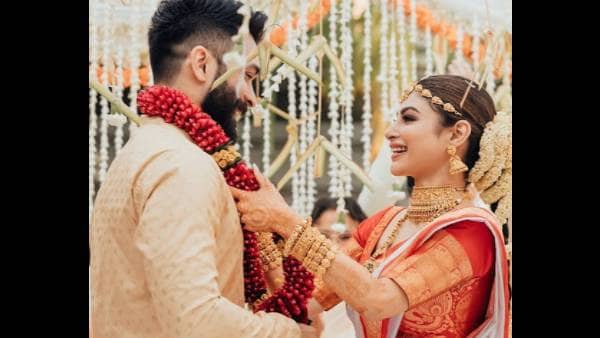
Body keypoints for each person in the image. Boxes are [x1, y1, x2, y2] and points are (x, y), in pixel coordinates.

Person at [90, 1, 317, 337]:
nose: (253, 98)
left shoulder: (141, 150)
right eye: (249, 76)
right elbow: (197, 321)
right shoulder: (181, 165)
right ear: (201, 63)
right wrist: (291, 332)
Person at [231, 74, 511, 337]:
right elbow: (302, 305)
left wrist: (286, 221)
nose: (391, 132)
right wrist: (264, 234)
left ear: (456, 134)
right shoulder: (385, 224)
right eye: (395, 120)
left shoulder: (472, 231)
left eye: (408, 119)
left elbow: (377, 300)